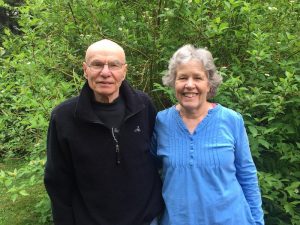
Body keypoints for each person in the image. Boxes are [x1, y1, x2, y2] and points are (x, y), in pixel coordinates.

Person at [44, 39, 163, 225]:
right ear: (85, 69)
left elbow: (159, 158)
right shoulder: (64, 117)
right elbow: (57, 181)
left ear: (124, 71)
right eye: (97, 64)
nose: (105, 73)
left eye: (114, 65)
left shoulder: (143, 106)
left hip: (146, 220)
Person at [151, 44, 264, 225]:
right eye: (182, 78)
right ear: (173, 82)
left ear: (209, 84)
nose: (189, 85)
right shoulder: (161, 122)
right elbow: (147, 175)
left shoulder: (231, 120)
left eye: (198, 77)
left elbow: (247, 175)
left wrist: (258, 221)